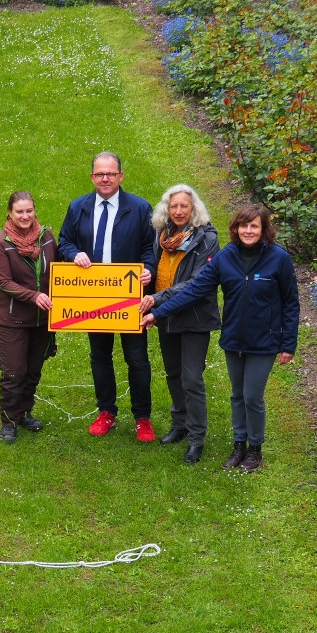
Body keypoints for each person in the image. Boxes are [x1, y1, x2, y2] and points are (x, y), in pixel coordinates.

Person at [140, 204, 299, 473]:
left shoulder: (278, 258)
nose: (248, 231)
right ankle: (239, 445)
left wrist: (288, 343)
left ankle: (255, 448)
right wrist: (158, 313)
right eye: (243, 226)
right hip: (234, 338)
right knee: (237, 395)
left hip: (265, 341)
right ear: (236, 229)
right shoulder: (226, 257)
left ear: (264, 229)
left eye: (254, 226)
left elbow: (291, 303)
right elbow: (195, 290)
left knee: (252, 396)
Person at [58, 151, 157, 442]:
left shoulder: (139, 208)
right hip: (94, 297)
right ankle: (106, 411)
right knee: (99, 355)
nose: (105, 178)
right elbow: (65, 241)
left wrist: (149, 269)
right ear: (92, 177)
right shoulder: (79, 208)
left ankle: (143, 418)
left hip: (130, 296)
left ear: (120, 176)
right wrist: (74, 254)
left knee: (137, 358)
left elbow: (150, 248)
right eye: (100, 174)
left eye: (110, 173)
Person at [139, 184, 221, 464]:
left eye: (184, 206)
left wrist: (157, 300)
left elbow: (198, 283)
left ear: (193, 208)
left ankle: (197, 438)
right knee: (173, 373)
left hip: (195, 317)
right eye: (173, 206)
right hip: (167, 315)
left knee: (191, 378)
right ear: (166, 209)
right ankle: (180, 425)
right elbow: (154, 268)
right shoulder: (163, 236)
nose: (178, 211)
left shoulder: (207, 238)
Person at [0, 191, 60, 443]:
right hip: (12, 320)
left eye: (29, 211)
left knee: (33, 369)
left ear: (34, 210)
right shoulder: (0, 243)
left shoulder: (47, 237)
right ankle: (8, 420)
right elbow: (4, 282)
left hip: (42, 320)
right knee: (13, 372)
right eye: (19, 211)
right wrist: (33, 296)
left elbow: (62, 269)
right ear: (10, 212)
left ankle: (24, 412)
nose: (25, 216)